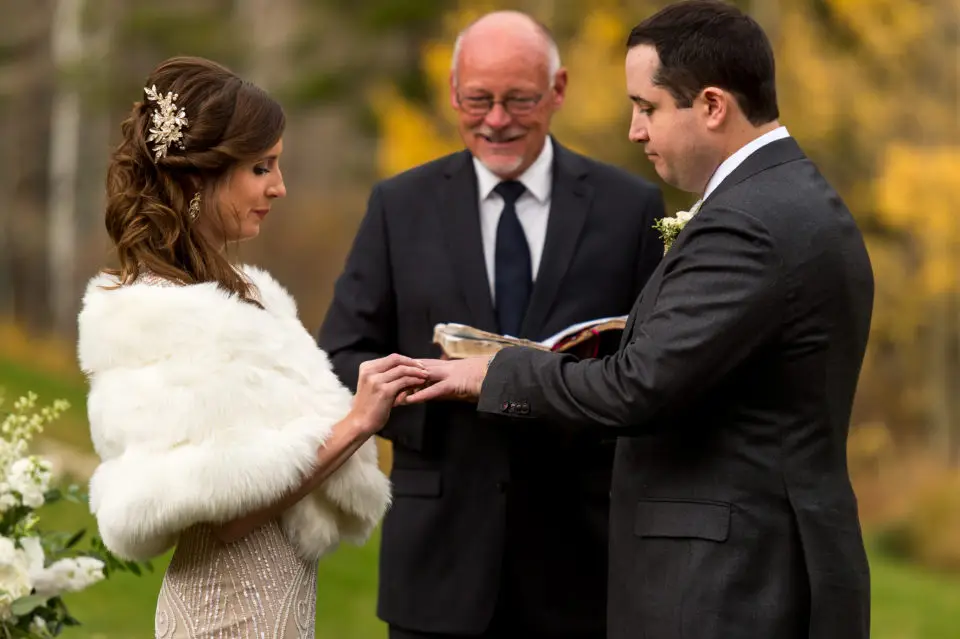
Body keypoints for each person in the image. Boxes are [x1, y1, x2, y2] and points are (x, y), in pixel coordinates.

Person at [402, 2, 874, 639]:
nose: (634, 131)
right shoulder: (791, 197)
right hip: (760, 566)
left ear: (711, 105)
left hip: (728, 586)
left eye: (647, 107)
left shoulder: (748, 224)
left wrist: (496, 373)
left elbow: (638, 387)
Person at [318, 10, 665, 639]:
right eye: (478, 99)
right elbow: (341, 355)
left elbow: (654, 373)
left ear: (557, 91)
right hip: (436, 565)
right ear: (453, 94)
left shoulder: (629, 207)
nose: (497, 119)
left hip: (583, 563)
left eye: (519, 100)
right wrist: (432, 392)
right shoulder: (399, 205)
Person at [77, 56, 428, 639]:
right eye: (261, 167)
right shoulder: (159, 313)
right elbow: (233, 515)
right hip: (227, 615)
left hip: (275, 607)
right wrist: (357, 422)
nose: (279, 187)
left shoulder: (245, 298)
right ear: (198, 178)